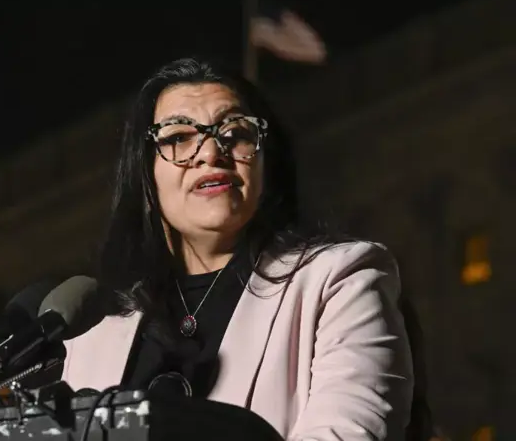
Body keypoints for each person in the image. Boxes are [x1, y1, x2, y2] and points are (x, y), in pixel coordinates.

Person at [61, 57, 415, 439]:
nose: (211, 153)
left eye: (235, 133)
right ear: (144, 172)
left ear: (265, 162)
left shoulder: (342, 280)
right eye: (178, 138)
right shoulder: (90, 331)